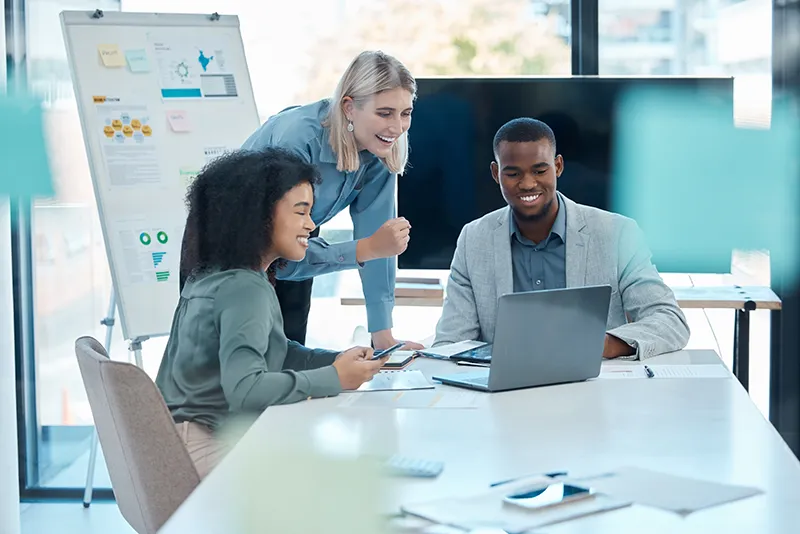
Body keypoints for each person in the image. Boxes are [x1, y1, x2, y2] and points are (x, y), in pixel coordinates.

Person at [159, 149, 388, 478]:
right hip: (207, 453)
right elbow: (247, 390)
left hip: (179, 446)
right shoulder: (245, 288)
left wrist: (338, 360)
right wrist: (336, 378)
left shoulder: (214, 276)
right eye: (301, 212)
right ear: (260, 215)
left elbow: (274, 350)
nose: (311, 225)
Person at [433, 118, 690, 359]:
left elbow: (669, 320)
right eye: (513, 174)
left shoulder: (617, 233)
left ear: (558, 166)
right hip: (503, 393)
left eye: (539, 170)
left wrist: (602, 344)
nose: (527, 184)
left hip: (594, 389)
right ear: (495, 173)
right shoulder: (474, 239)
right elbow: (452, 341)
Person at [242, 50, 424, 351]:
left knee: (291, 360)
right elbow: (278, 257)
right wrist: (365, 248)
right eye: (385, 113)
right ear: (349, 108)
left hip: (295, 239)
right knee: (247, 371)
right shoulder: (298, 139)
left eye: (405, 113)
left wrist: (383, 336)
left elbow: (378, 242)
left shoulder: (379, 149)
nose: (397, 127)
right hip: (236, 246)